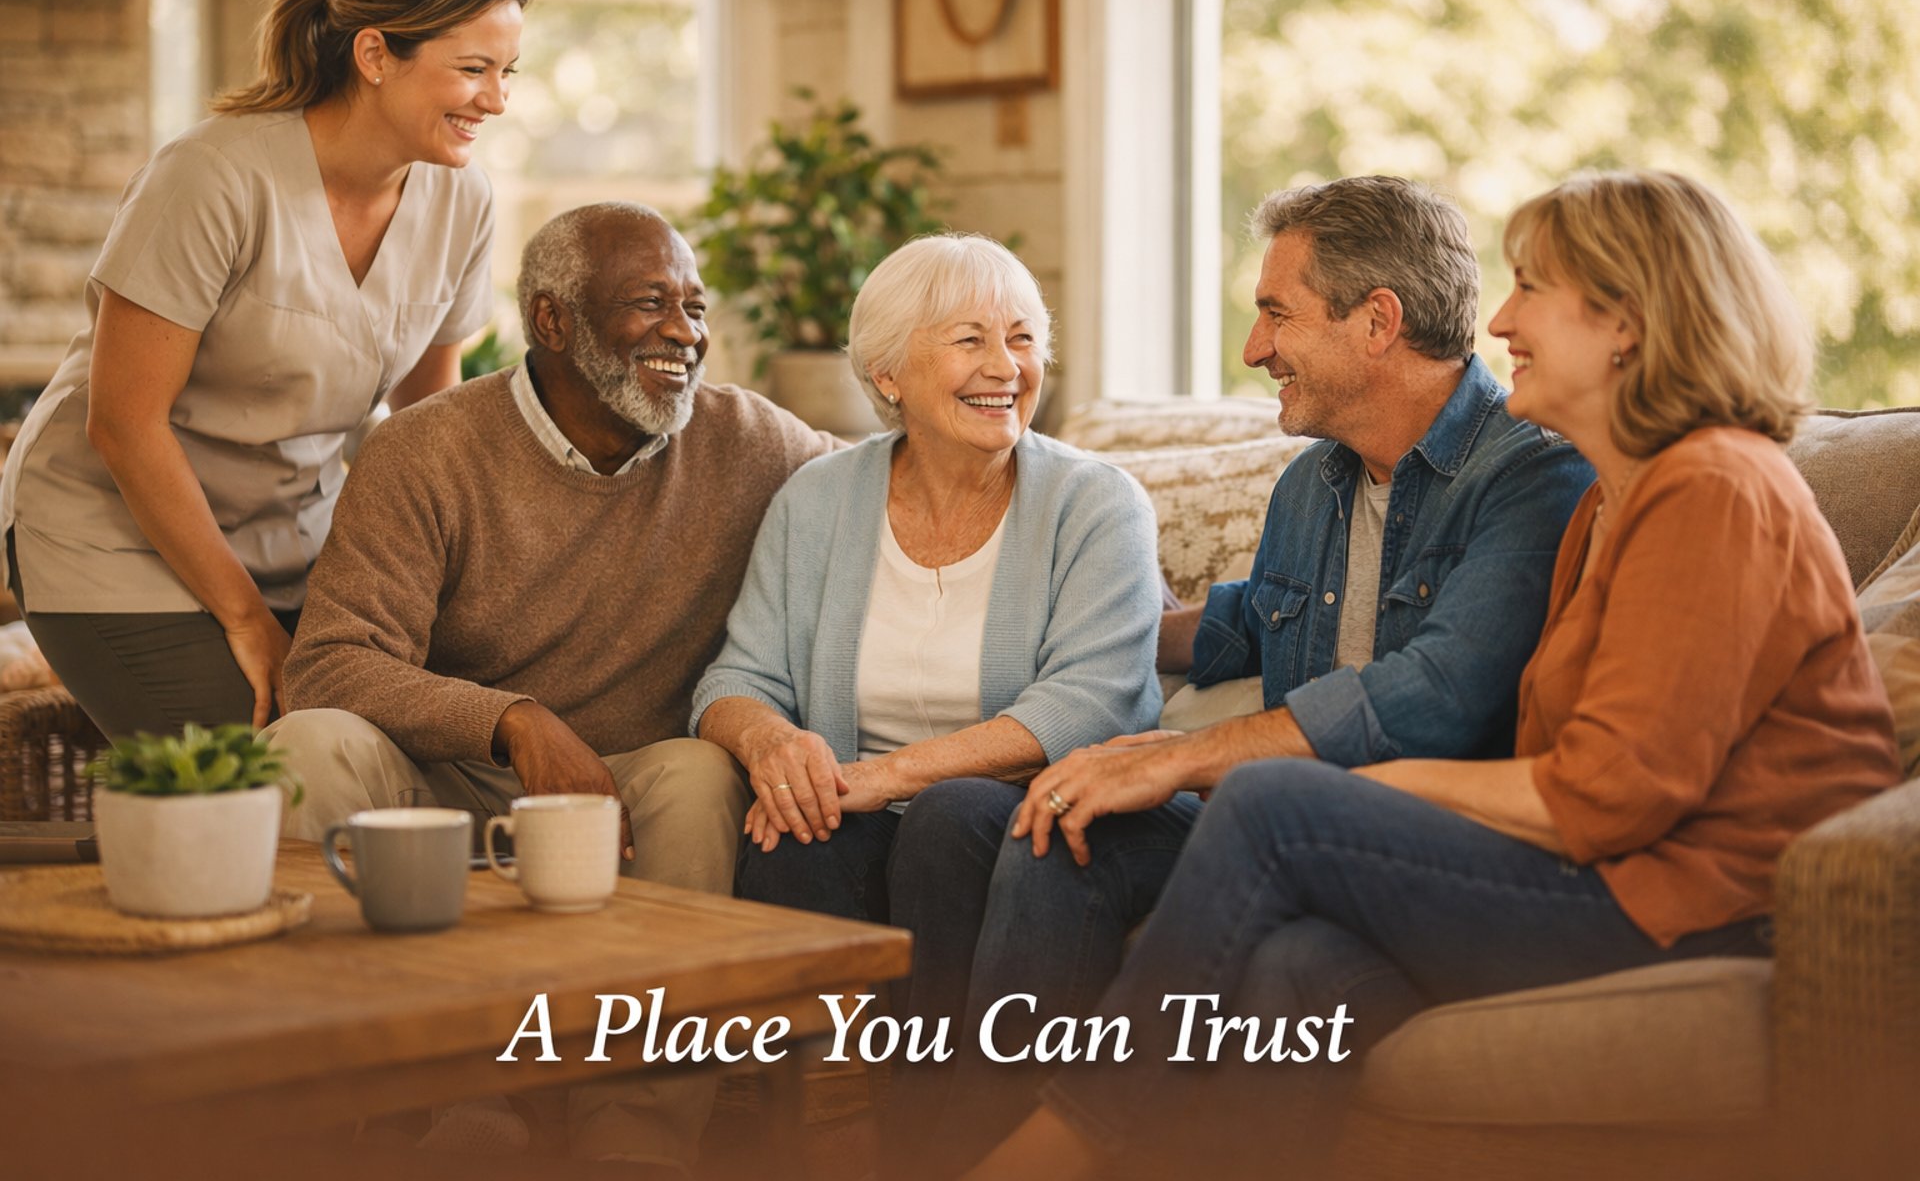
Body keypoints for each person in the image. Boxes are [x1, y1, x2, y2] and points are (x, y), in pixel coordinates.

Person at [967, 170, 1902, 1180]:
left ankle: (1057, 1146)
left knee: (1275, 803)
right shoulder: (1618, 500)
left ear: (1625, 324)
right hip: (1615, 878)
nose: (1500, 319)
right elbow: (1256, 621)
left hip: (1698, 908)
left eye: (1532, 286)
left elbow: (1600, 792)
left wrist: (1330, 796)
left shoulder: (1713, 488)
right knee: (1297, 967)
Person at [887, 176, 1595, 1167]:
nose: (1256, 348)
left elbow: (1433, 695)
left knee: (1183, 811)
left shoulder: (1531, 474)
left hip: (1403, 841)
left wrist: (1177, 757)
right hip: (1260, 823)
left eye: (1275, 313)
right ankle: (956, 1150)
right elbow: (1249, 623)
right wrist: (1078, 612)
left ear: (1378, 322)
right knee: (998, 813)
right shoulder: (1315, 479)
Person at [265, 202, 836, 1170]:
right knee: (308, 743)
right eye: (649, 303)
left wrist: (1135, 589)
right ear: (554, 320)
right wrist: (512, 720)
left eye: (695, 307)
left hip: (632, 775)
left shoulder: (749, 440)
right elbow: (329, 660)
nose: (686, 333)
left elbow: (897, 489)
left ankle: (636, 1139)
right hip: (458, 771)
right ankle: (401, 1106)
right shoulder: (425, 448)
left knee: (700, 774)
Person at [0, 0, 523, 740]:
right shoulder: (213, 176)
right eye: (472, 70)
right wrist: (246, 618)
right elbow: (124, 423)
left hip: (293, 540)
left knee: (405, 741)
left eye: (506, 72)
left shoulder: (464, 200)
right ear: (377, 54)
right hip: (111, 539)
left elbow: (428, 429)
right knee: (269, 771)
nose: (496, 99)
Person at [688, 232, 1161, 1068]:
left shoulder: (1097, 503)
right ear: (887, 375)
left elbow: (1093, 700)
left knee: (947, 815)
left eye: (1022, 339)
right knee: (790, 833)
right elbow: (737, 675)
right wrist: (771, 743)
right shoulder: (819, 499)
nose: (1007, 367)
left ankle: (931, 1127)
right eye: (971, 340)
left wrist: (883, 777)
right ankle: (808, 1131)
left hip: (1005, 814)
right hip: (858, 810)